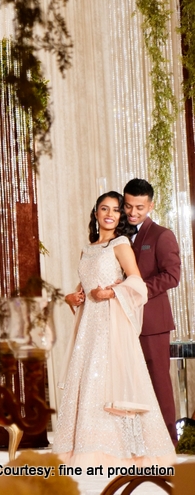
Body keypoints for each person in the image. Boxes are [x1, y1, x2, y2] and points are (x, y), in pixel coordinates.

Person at [53, 191, 175, 467]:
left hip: (110, 321)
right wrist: (72, 296)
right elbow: (85, 284)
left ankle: (117, 448)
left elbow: (137, 283)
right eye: (104, 209)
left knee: (107, 379)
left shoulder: (120, 243)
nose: (110, 214)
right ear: (95, 213)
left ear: (120, 216)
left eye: (116, 210)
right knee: (88, 380)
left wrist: (111, 293)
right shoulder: (89, 247)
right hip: (88, 325)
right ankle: (83, 445)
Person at [123, 178, 181, 446]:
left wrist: (134, 289)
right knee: (130, 384)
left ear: (150, 206)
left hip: (153, 323)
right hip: (122, 320)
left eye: (139, 207)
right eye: (128, 206)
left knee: (159, 383)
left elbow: (172, 276)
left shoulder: (161, 235)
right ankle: (137, 441)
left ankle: (168, 442)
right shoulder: (118, 237)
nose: (133, 213)